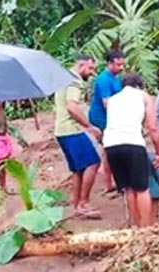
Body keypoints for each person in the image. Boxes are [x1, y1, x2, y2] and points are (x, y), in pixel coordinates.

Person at [103, 72, 159, 227]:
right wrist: (158, 153)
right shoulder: (143, 96)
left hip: (111, 145)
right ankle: (147, 229)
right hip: (132, 143)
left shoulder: (113, 100)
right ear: (138, 85)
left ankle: (135, 227)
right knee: (142, 188)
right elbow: (153, 127)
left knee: (128, 188)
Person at [54, 55, 102, 219]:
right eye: (90, 68)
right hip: (71, 129)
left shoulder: (63, 78)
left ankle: (77, 205)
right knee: (94, 162)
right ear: (80, 66)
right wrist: (89, 127)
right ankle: (84, 202)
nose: (92, 72)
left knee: (78, 169)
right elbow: (72, 106)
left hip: (61, 130)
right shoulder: (74, 81)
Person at [88, 50, 125, 194]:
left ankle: (113, 181)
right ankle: (109, 183)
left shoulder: (115, 77)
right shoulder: (104, 79)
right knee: (109, 150)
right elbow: (107, 103)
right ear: (109, 63)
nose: (121, 67)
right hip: (101, 118)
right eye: (118, 64)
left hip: (110, 117)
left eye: (122, 64)